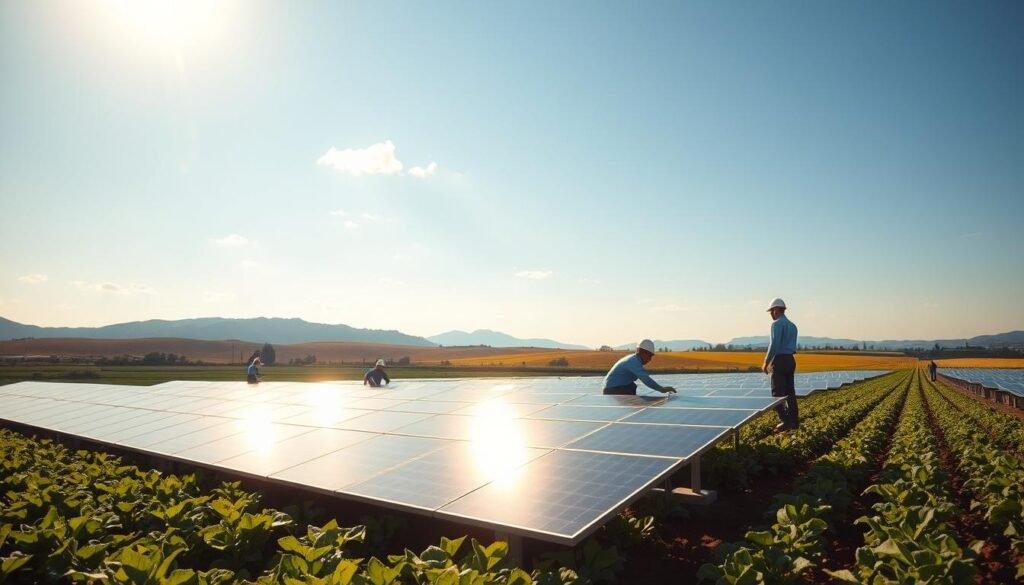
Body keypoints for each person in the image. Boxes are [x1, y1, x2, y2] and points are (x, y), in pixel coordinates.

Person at [763, 298, 799, 432]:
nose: (771, 314)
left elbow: (774, 344)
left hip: (780, 361)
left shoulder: (776, 324)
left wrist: (766, 362)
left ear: (776, 310)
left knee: (776, 395)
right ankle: (794, 421)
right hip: (790, 360)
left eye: (771, 311)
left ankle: (785, 421)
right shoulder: (793, 325)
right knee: (790, 393)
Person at [602, 339, 677, 395]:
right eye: (649, 355)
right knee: (630, 388)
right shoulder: (633, 361)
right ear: (642, 353)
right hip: (613, 390)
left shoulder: (633, 359)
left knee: (632, 386)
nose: (650, 359)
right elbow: (646, 379)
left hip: (614, 388)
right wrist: (662, 389)